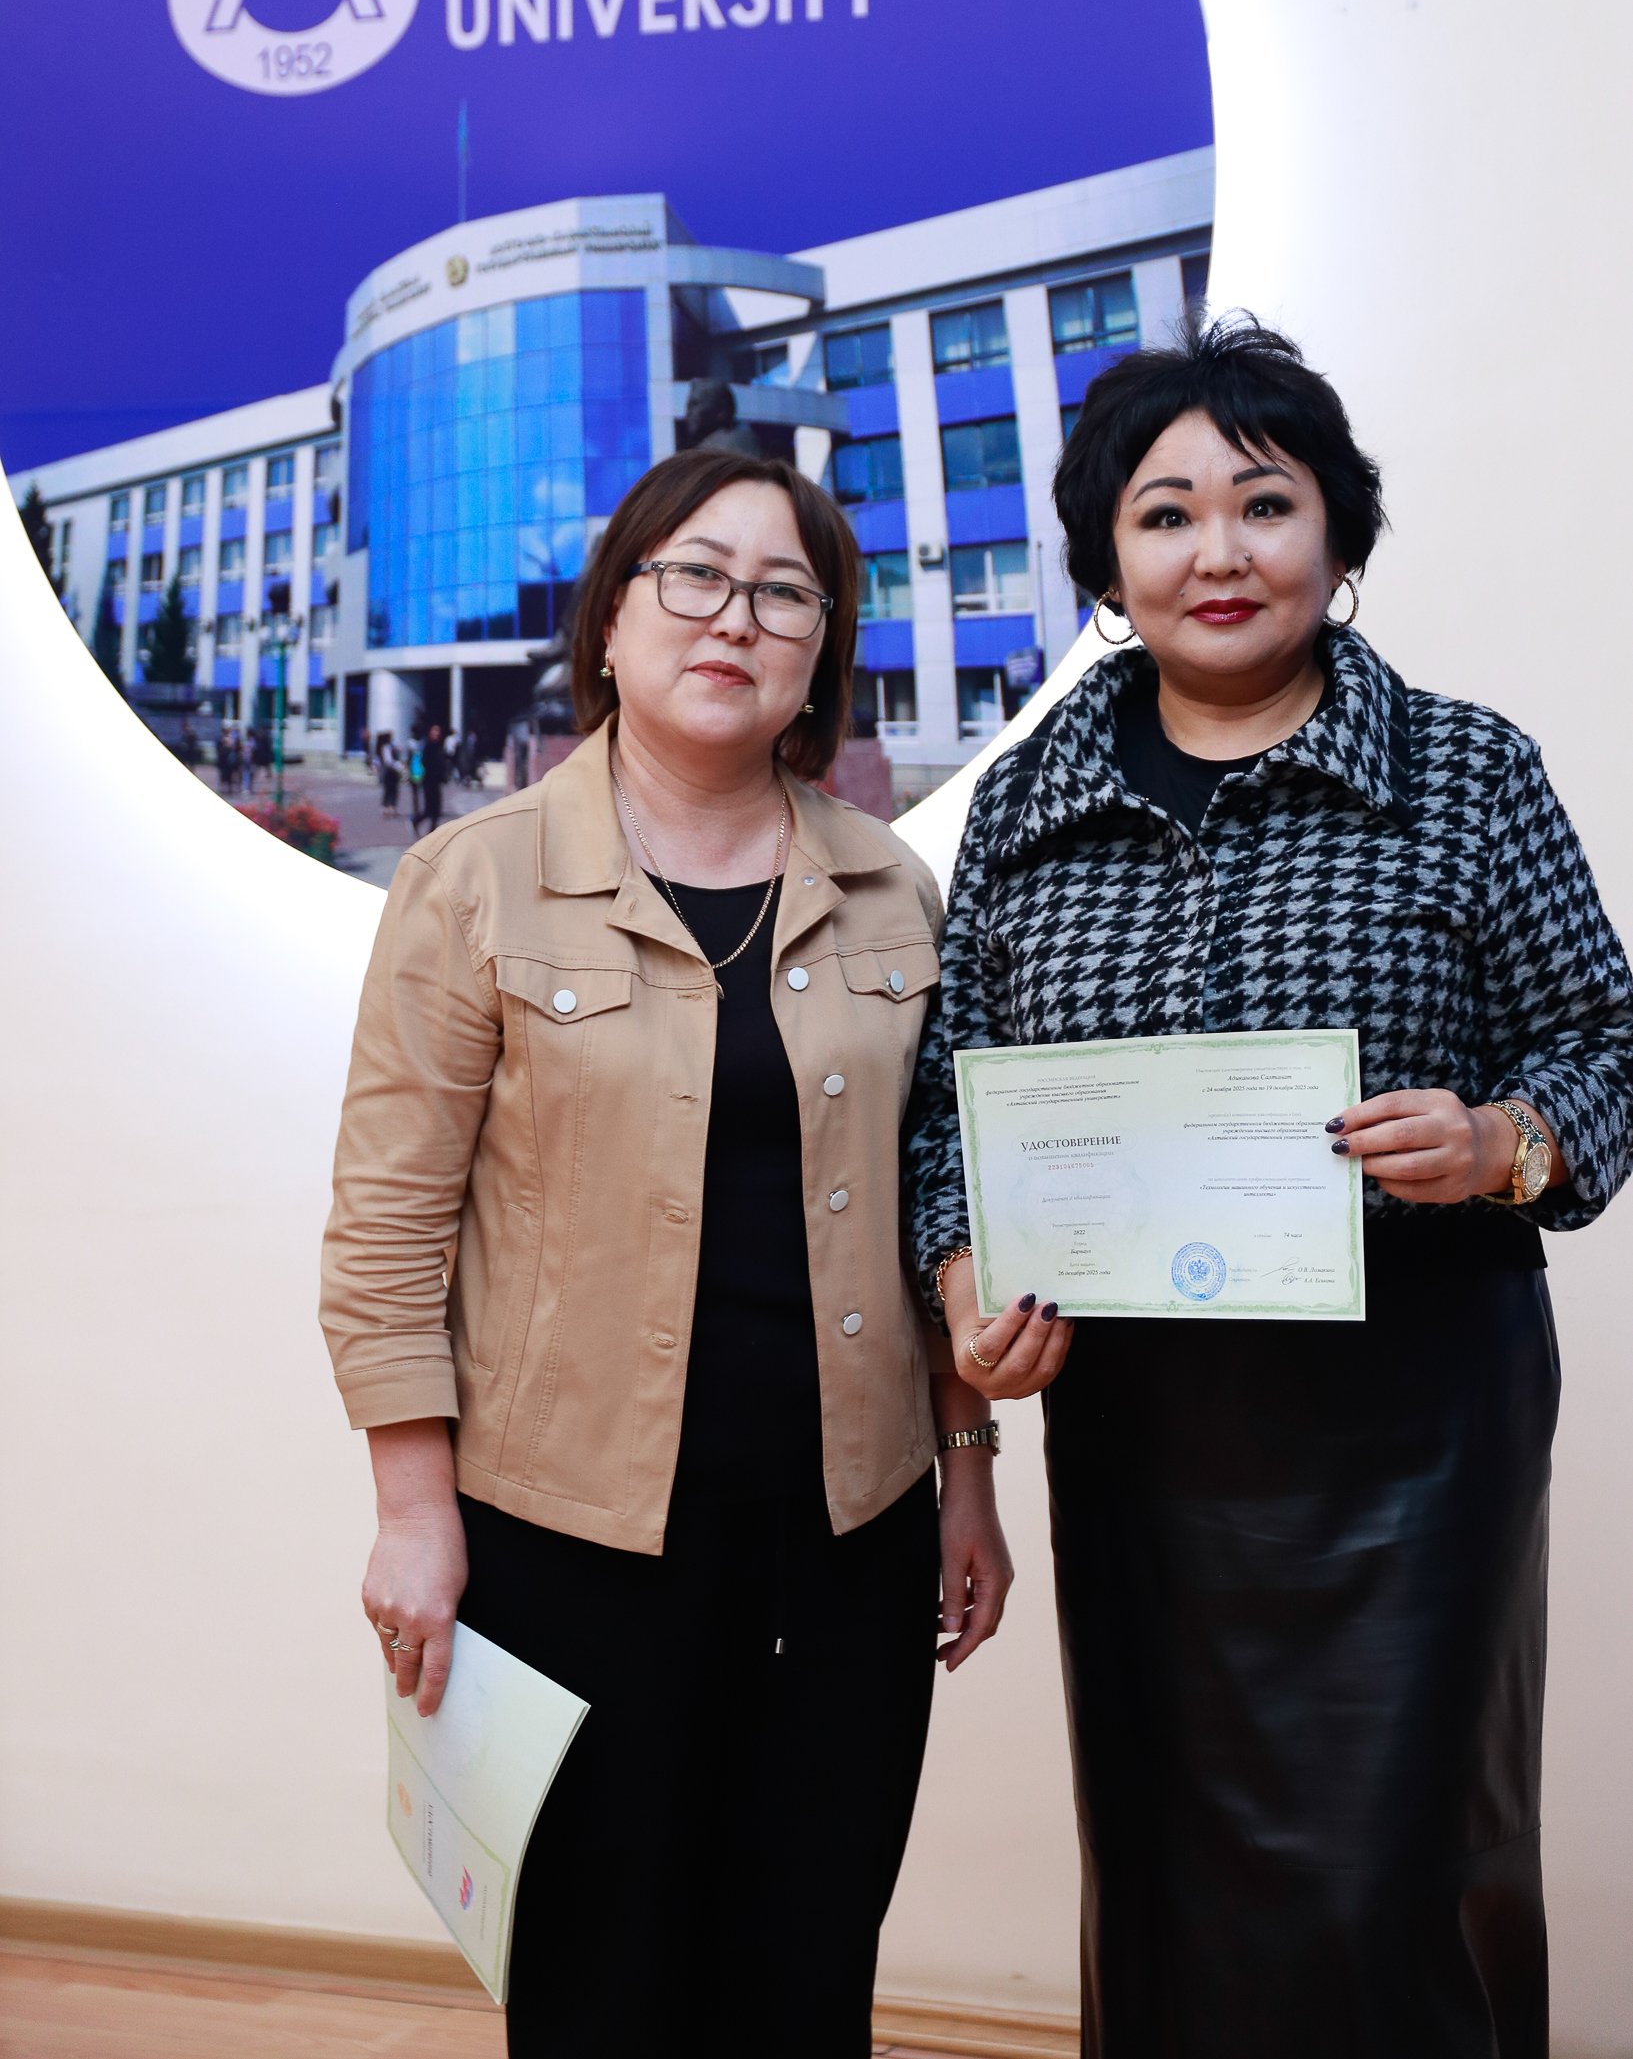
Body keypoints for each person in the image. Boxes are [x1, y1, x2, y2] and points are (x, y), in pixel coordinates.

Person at [909, 314, 1633, 2059]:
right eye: (1164, 515)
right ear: (1106, 564)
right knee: (1161, 1859)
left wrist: (1501, 1141)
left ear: (1334, 533)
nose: (1216, 551)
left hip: (1416, 1423)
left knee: (1408, 1870)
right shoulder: (1023, 804)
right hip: (1145, 1428)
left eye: (1262, 501)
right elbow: (945, 1108)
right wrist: (963, 1279)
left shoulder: (1464, 768)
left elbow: (1603, 1038)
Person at [321, 447, 1012, 2058]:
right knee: (600, 1984)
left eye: (783, 593)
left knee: (808, 1972)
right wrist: (413, 1513)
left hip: (850, 1535)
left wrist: (968, 1470)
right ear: (614, 621)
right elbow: (386, 1229)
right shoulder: (474, 880)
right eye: (693, 575)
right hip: (565, 1540)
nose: (735, 617)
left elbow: (937, 1205)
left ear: (821, 652)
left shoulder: (891, 888)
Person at [421, 719, 448, 833]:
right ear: (430, 733)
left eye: (438, 731)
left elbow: (442, 762)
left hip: (437, 780)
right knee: (429, 808)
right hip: (429, 780)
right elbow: (424, 761)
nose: (437, 733)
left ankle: (432, 830)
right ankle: (416, 820)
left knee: (436, 807)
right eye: (435, 731)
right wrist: (433, 769)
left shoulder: (439, 745)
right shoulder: (428, 745)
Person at [377, 732, 401, 817]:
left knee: (393, 790)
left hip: (391, 771)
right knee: (389, 790)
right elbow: (388, 761)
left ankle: (391, 808)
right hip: (389, 771)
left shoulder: (391, 746)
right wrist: (398, 767)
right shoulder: (386, 747)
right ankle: (387, 808)